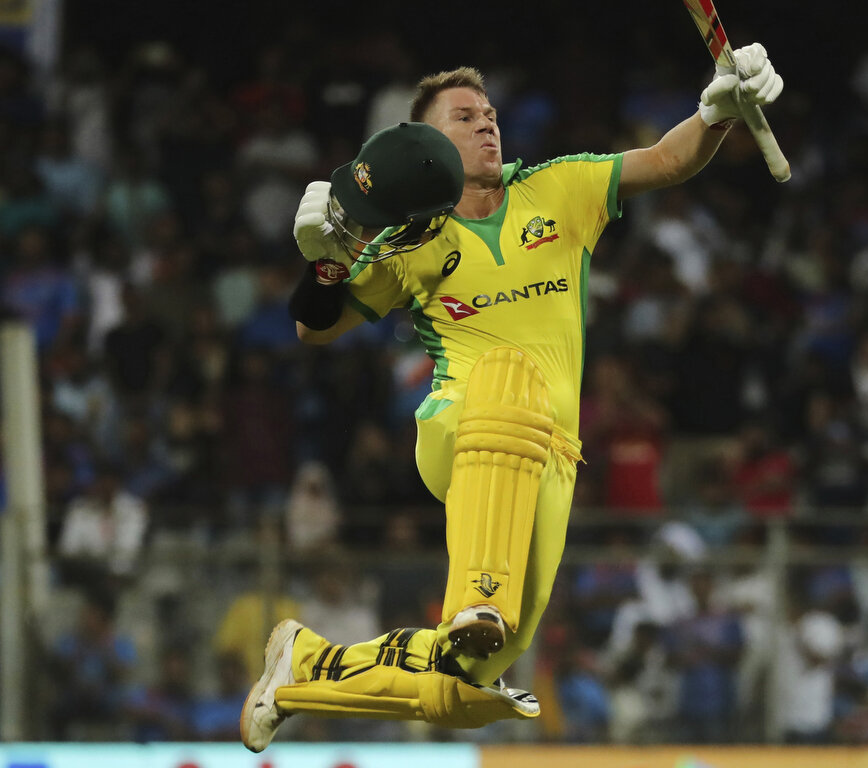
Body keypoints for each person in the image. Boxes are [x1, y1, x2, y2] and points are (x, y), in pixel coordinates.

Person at [240, 45, 784, 752]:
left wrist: (716, 113)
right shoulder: (411, 241)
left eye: (490, 114)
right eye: (465, 118)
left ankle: (304, 669)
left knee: (468, 682)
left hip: (551, 456)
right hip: (461, 430)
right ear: (428, 145)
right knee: (508, 373)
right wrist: (328, 259)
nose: (488, 125)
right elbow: (315, 325)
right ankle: (477, 596)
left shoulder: (560, 188)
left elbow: (665, 160)